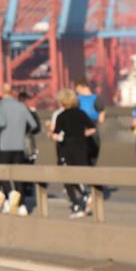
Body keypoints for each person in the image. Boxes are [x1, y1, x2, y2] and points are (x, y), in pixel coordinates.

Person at [51, 88, 97, 219]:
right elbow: (92, 128)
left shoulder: (61, 116)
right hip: (82, 147)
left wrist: (52, 135)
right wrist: (82, 135)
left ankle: (77, 203)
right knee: (79, 174)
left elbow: (57, 134)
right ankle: (85, 196)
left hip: (67, 148)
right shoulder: (81, 113)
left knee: (66, 177)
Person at [0, 84, 38, 214]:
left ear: (2, 91)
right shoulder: (21, 106)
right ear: (12, 92)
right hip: (20, 145)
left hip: (5, 144)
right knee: (18, 175)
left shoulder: (0, 105)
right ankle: (22, 206)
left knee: (3, 173)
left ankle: (10, 194)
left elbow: (2, 123)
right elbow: (33, 125)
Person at [74, 78, 105, 167]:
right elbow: (101, 119)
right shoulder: (97, 99)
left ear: (80, 87)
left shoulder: (77, 100)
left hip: (81, 134)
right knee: (92, 161)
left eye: (77, 88)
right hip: (93, 133)